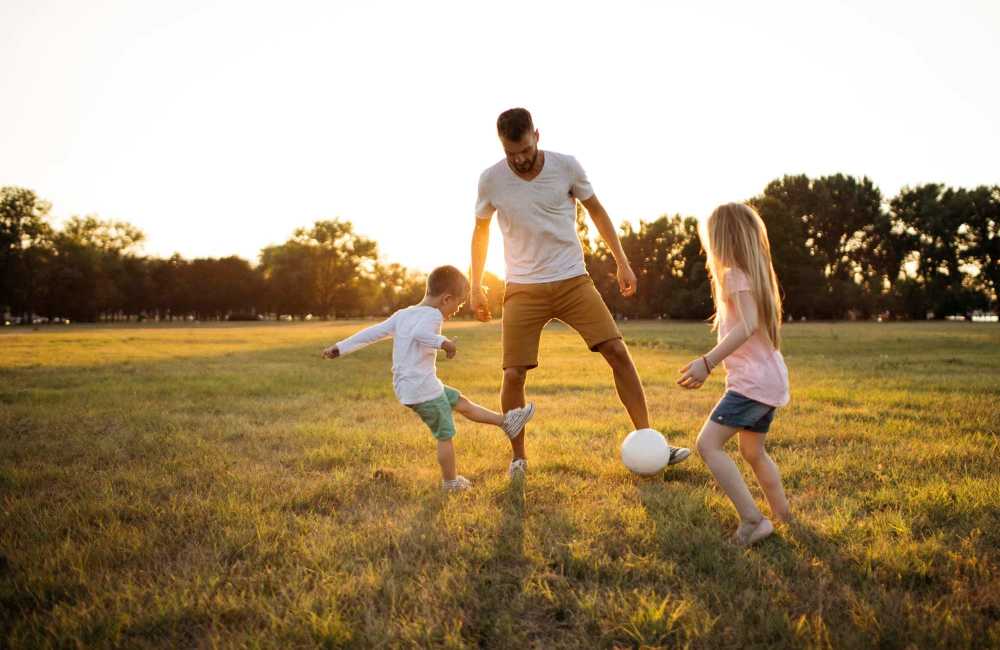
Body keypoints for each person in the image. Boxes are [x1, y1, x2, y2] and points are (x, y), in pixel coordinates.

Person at [470, 107, 690, 479]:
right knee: (512, 375)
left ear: (536, 135)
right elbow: (480, 231)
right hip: (523, 287)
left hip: (573, 279)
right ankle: (518, 458)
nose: (520, 160)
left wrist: (622, 261)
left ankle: (650, 440)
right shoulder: (491, 180)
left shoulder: (566, 166)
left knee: (617, 351)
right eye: (512, 154)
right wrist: (474, 284)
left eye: (525, 149)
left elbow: (598, 212)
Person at [322, 265, 535, 492]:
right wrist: (444, 343)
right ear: (446, 299)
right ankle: (450, 483)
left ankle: (507, 423)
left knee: (460, 401)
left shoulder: (403, 314)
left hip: (413, 386)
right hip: (421, 388)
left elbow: (373, 333)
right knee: (445, 433)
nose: (457, 309)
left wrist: (340, 348)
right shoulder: (433, 315)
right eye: (459, 304)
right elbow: (420, 335)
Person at [677, 203, 791, 546]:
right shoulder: (753, 275)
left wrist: (707, 362)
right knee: (753, 452)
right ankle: (784, 516)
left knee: (707, 445)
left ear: (721, 240)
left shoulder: (734, 276)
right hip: (768, 380)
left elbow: (747, 326)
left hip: (752, 384)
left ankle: (754, 521)